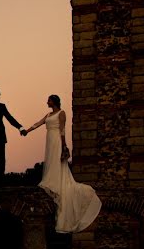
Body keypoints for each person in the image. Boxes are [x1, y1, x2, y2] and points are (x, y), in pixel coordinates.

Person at [23, 94, 101, 233]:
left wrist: (64, 145)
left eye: (49, 100)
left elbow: (63, 129)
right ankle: (50, 179)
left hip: (57, 140)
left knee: (57, 161)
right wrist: (27, 131)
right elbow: (38, 123)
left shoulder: (61, 113)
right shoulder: (48, 114)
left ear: (54, 101)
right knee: (50, 160)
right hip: (49, 140)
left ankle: (56, 182)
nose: (47, 101)